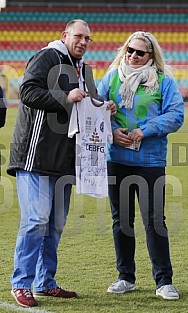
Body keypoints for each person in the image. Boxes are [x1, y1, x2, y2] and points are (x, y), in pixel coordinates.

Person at [7, 19, 115, 308]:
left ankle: (45, 282)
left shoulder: (84, 70)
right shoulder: (47, 56)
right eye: (78, 36)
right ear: (65, 35)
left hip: (66, 158)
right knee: (36, 219)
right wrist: (65, 96)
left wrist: (104, 106)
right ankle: (21, 283)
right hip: (36, 153)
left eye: (88, 39)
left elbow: (88, 106)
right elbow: (27, 92)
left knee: (54, 224)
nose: (83, 42)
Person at [97, 31, 184, 300]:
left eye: (139, 53)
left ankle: (164, 281)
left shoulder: (162, 82)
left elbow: (176, 115)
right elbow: (94, 109)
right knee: (121, 221)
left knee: (155, 221)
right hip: (116, 160)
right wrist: (111, 129)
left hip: (150, 162)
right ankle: (125, 276)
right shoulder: (110, 79)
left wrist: (144, 131)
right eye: (129, 51)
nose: (133, 56)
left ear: (151, 56)